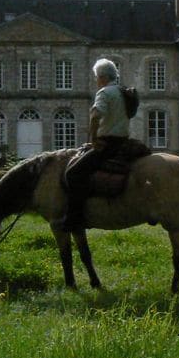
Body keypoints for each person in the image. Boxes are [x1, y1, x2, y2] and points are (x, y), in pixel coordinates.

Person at [57, 58, 130, 232]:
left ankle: (75, 218)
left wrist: (94, 139)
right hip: (123, 141)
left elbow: (96, 115)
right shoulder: (124, 91)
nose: (96, 81)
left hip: (108, 143)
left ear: (103, 77)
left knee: (73, 173)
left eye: (97, 77)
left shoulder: (104, 92)